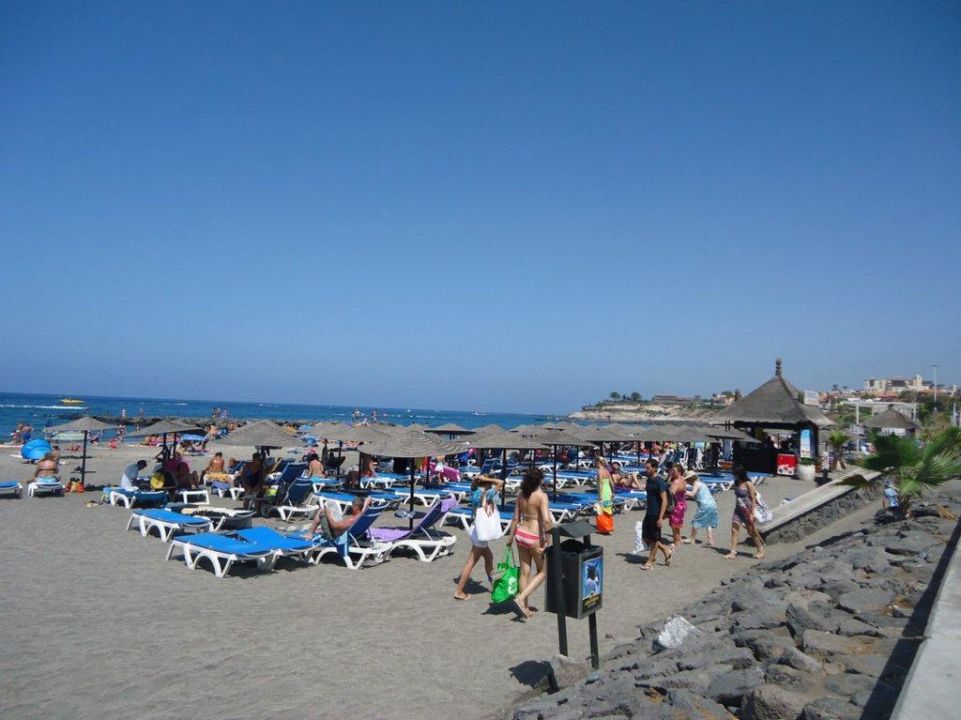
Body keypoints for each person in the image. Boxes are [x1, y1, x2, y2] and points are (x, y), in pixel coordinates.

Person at [505, 467, 552, 619]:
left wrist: (510, 537)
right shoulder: (541, 496)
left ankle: (524, 607)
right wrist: (548, 542)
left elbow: (515, 519)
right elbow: (546, 520)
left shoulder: (521, 495)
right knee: (543, 571)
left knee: (525, 572)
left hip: (520, 534)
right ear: (539, 480)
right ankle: (520, 599)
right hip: (534, 537)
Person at [454, 474, 505, 600]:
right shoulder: (487, 495)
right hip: (480, 534)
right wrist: (488, 479)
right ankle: (459, 591)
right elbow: (500, 482)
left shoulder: (476, 492)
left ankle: (494, 584)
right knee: (471, 562)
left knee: (489, 557)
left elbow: (474, 486)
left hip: (475, 530)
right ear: (485, 483)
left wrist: (478, 480)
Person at [724, 465, 765, 560]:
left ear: (740, 473)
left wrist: (752, 513)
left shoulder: (748, 484)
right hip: (738, 509)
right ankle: (733, 552)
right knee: (734, 530)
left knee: (751, 531)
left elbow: (753, 498)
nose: (734, 476)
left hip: (747, 510)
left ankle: (760, 549)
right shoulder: (737, 482)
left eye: (735, 474)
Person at [640, 459, 672, 570]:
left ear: (654, 468)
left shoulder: (660, 482)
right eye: (646, 467)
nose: (646, 470)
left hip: (656, 513)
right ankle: (666, 550)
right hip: (649, 511)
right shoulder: (649, 480)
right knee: (645, 536)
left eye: (648, 468)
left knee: (654, 538)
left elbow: (665, 500)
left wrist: (660, 518)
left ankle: (650, 561)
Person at [306, 495, 372, 540]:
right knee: (329, 511)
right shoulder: (362, 513)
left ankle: (310, 533)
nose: (351, 507)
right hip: (351, 535)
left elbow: (334, 526)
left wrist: (328, 513)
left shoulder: (351, 520)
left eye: (353, 505)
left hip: (333, 536)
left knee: (322, 511)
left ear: (357, 507)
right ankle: (311, 532)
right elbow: (369, 498)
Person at [684, 470, 719, 546]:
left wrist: (683, 491)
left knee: (696, 521)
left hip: (705, 505)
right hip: (712, 504)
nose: (687, 482)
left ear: (690, 479)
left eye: (687, 480)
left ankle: (692, 538)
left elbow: (692, 494)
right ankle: (710, 538)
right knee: (708, 521)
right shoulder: (702, 483)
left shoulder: (696, 484)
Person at [668, 464, 688, 548]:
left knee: (674, 524)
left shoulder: (676, 481)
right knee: (678, 524)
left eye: (674, 471)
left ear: (679, 472)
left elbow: (671, 494)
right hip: (682, 503)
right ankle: (678, 539)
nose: (672, 472)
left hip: (676, 504)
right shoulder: (682, 480)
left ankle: (676, 542)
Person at [595, 457, 615, 534]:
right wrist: (613, 492)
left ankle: (604, 528)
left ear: (598, 462)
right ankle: (609, 526)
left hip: (603, 492)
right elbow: (612, 483)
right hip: (608, 491)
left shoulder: (599, 472)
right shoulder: (606, 470)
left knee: (601, 510)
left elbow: (600, 484)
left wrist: (600, 495)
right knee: (608, 508)